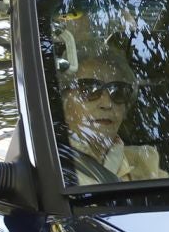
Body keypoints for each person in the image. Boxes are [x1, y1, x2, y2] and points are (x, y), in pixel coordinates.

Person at [58, 47, 162, 184]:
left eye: (118, 92)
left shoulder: (145, 161)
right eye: (90, 89)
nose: (107, 104)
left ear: (125, 109)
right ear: (63, 102)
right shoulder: (49, 165)